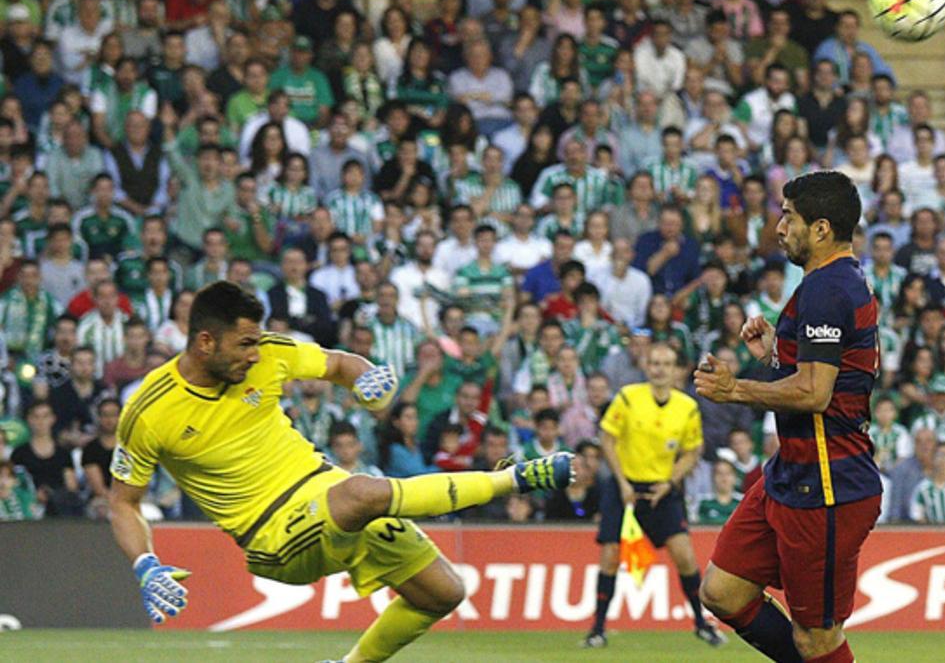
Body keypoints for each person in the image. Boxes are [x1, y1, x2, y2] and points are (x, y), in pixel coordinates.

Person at [106, 281, 573, 659]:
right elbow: (123, 503)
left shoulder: (269, 353)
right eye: (244, 343)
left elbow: (337, 363)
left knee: (442, 593)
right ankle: (512, 479)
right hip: (272, 536)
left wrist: (365, 376)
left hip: (323, 492)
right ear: (205, 342)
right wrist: (145, 564)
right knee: (363, 492)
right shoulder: (150, 410)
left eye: (256, 342)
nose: (254, 354)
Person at [693, 171, 880, 663]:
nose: (779, 227)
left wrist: (735, 390)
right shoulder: (825, 284)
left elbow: (816, 394)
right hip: (791, 473)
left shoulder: (828, 288)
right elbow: (824, 376)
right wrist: (777, 353)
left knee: (816, 639)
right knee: (722, 591)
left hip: (827, 483)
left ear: (820, 229)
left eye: (788, 217)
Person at [584, 342, 721, 649]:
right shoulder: (628, 398)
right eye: (655, 363)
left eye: (666, 364)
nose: (660, 368)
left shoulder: (686, 406)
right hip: (625, 487)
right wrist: (622, 483)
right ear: (647, 366)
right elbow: (607, 439)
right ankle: (598, 629)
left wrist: (670, 482)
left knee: (685, 556)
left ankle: (701, 623)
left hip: (662, 489)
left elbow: (692, 451)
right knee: (610, 556)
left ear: (676, 370)